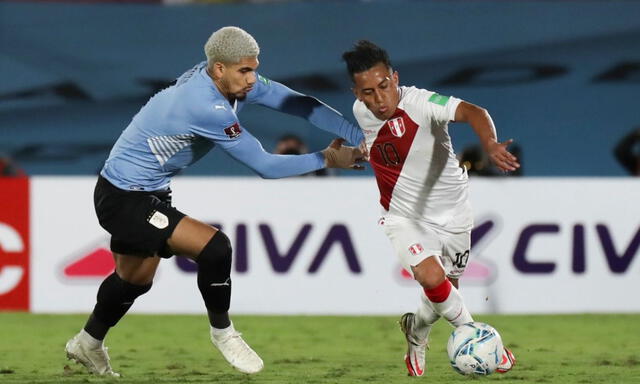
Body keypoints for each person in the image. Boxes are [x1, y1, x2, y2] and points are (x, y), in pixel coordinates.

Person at [65, 26, 364, 377]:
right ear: (219, 69)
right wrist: (327, 159)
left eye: (254, 69)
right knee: (216, 248)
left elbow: (299, 103)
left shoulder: (220, 76)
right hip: (123, 197)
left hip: (146, 190)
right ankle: (223, 333)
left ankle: (87, 342)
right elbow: (265, 165)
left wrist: (360, 136)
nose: (253, 79)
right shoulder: (206, 106)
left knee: (135, 280)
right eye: (245, 71)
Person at [342, 40, 519, 377]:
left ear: (395, 78)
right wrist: (357, 153)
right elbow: (381, 141)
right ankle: (478, 337)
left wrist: (490, 144)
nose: (378, 99)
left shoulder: (423, 103)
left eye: (384, 86)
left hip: (454, 214)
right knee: (430, 276)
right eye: (367, 92)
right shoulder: (360, 111)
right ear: (356, 93)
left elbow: (474, 112)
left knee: (444, 291)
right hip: (403, 216)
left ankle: (417, 332)